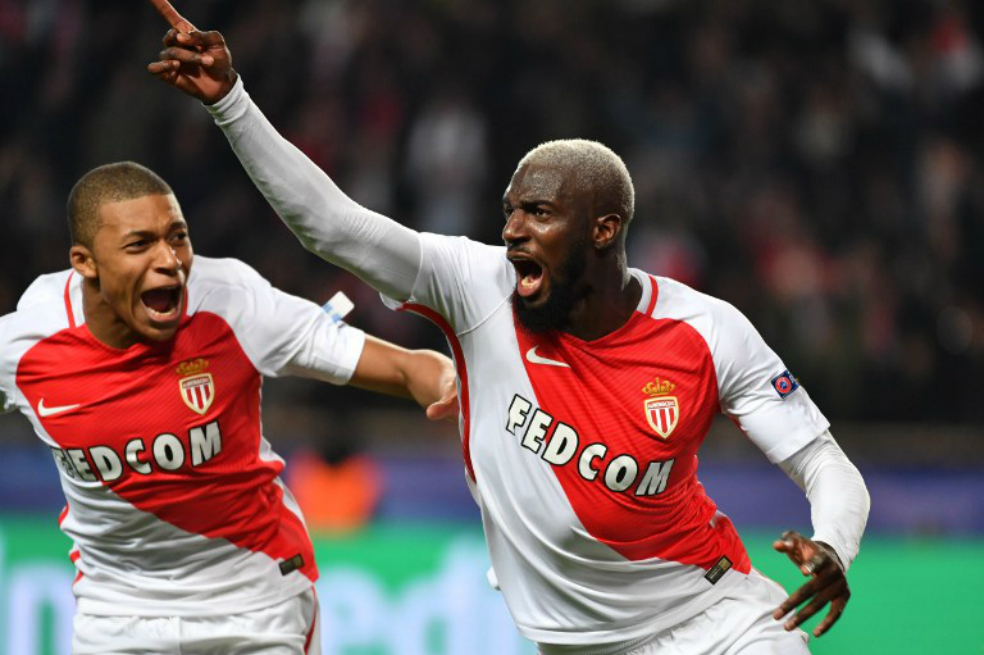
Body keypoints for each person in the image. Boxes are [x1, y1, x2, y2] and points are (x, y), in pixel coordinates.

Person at [147, 4, 871, 653]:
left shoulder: (707, 333)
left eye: (540, 214)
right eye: (510, 211)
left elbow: (826, 465)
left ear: (604, 229)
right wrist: (231, 103)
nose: (514, 232)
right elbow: (332, 226)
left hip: (715, 625)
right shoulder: (476, 284)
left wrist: (834, 543)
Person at [0, 160, 456, 654]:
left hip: (256, 606)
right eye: (140, 245)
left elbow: (407, 368)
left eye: (177, 237)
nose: (170, 260)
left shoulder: (232, 303)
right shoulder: (26, 345)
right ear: (85, 262)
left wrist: (453, 381)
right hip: (116, 614)